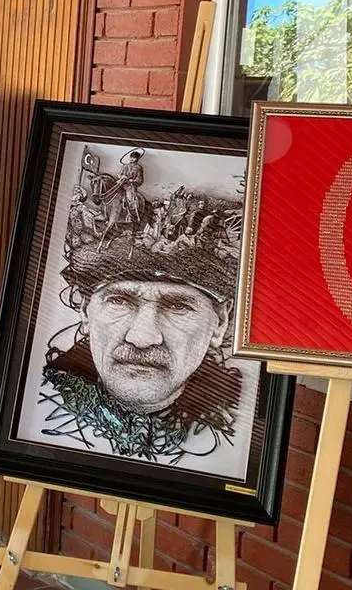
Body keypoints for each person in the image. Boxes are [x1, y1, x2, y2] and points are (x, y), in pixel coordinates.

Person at [39, 146, 245, 464]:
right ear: (85, 312)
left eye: (178, 306)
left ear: (220, 324)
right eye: (120, 300)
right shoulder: (42, 399)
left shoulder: (233, 430)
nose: (143, 337)